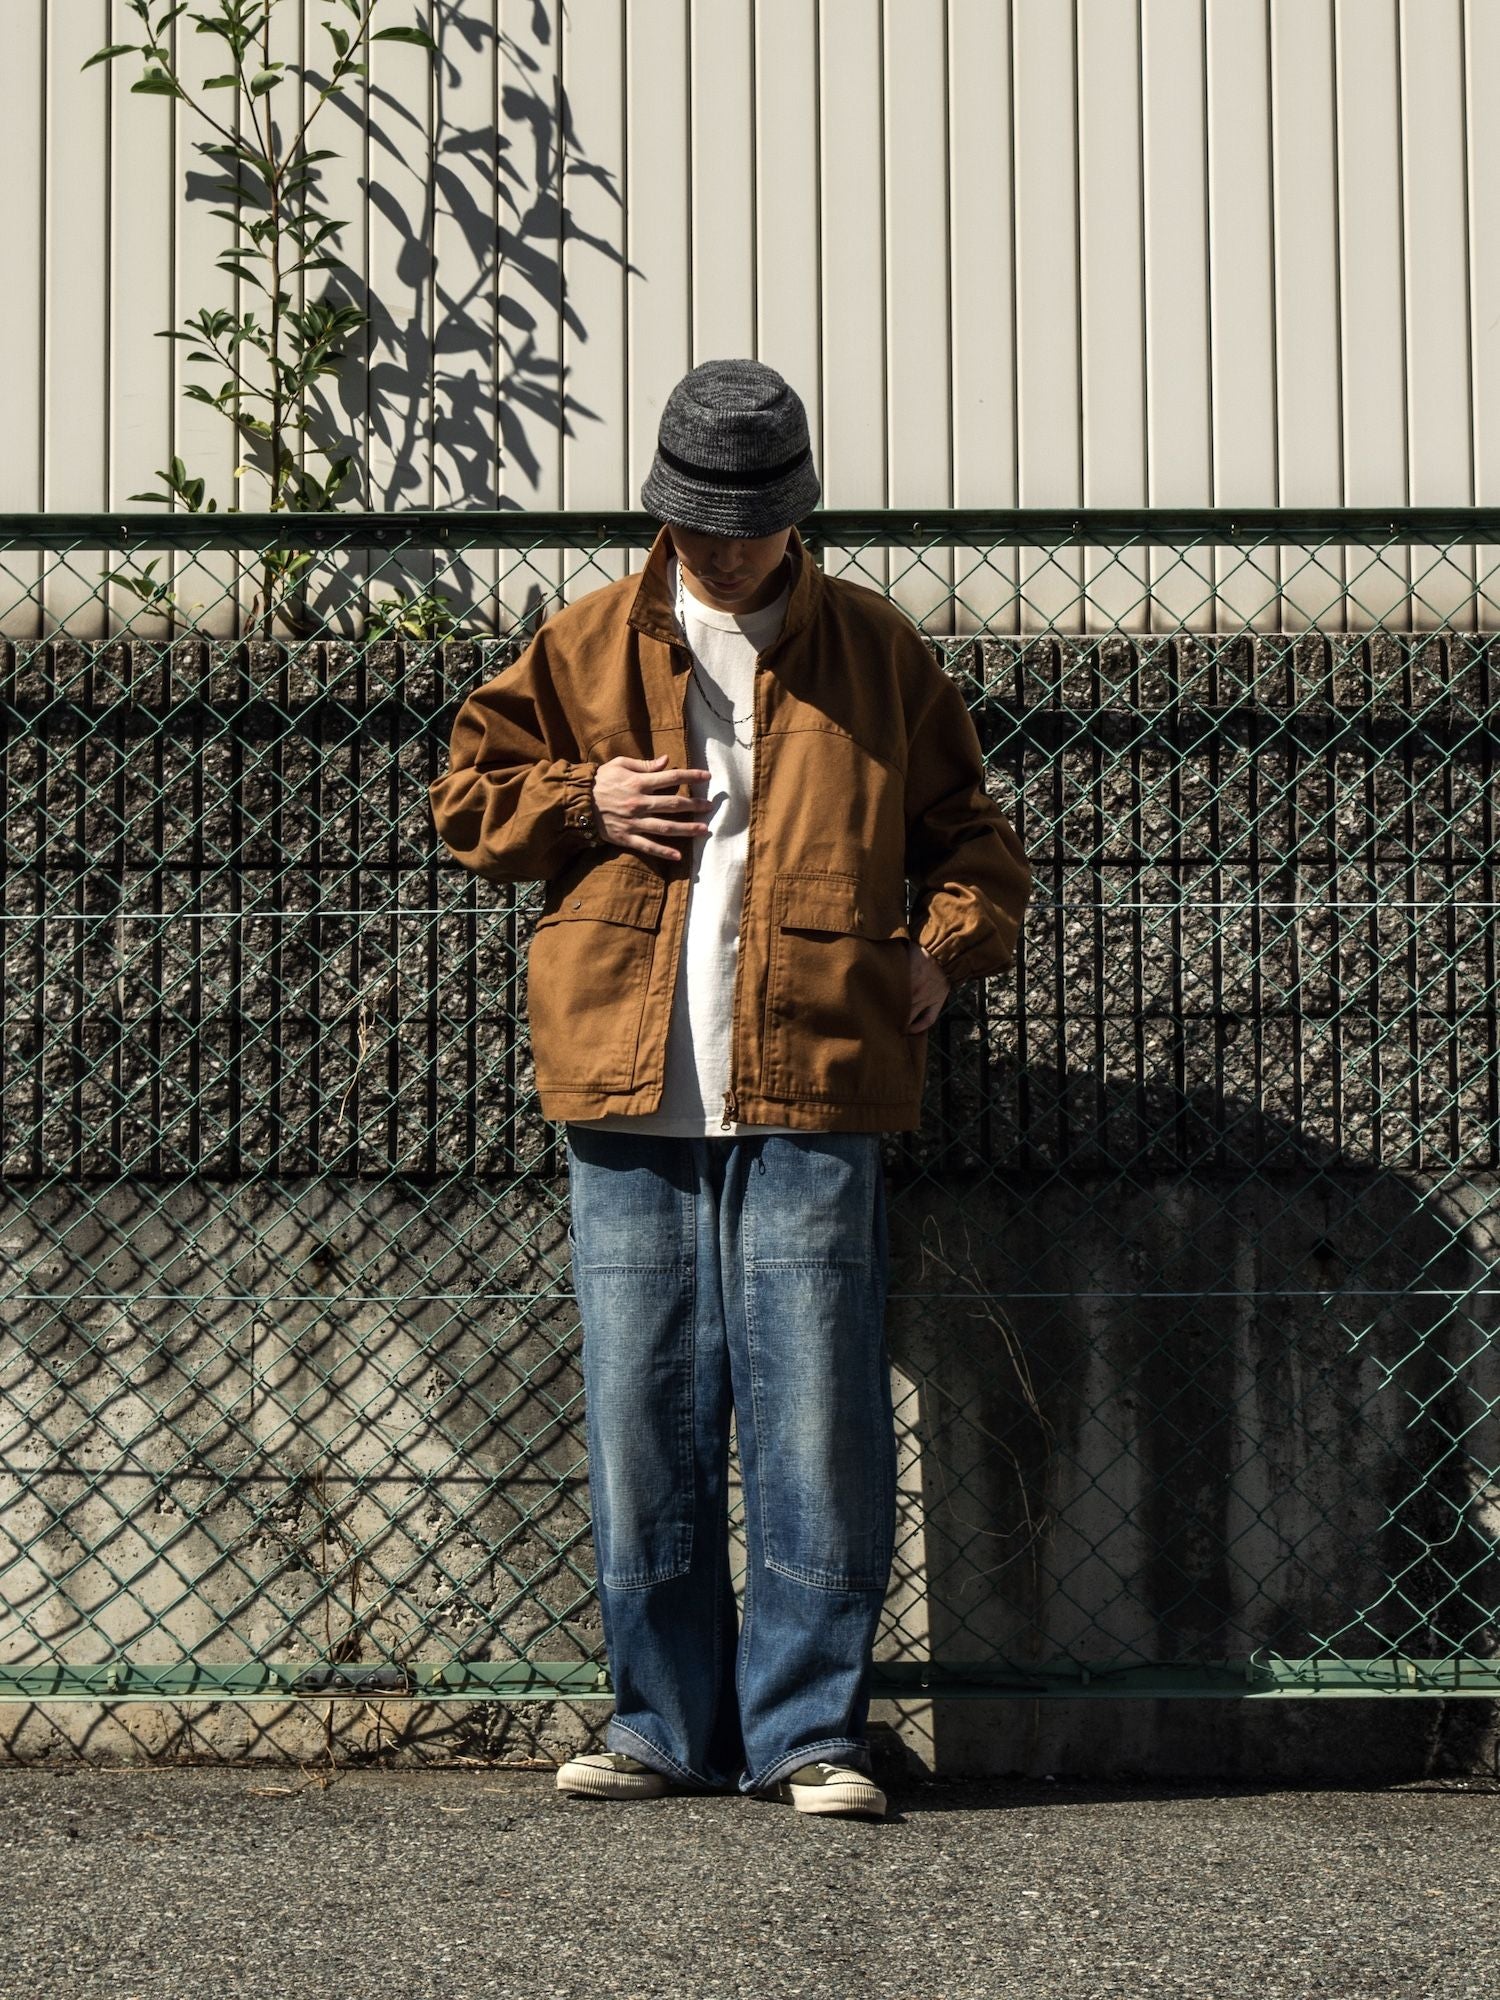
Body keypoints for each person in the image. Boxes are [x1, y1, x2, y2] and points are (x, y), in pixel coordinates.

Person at [428, 358, 1031, 1818]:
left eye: (752, 524)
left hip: (819, 1073)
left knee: (817, 1414)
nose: (726, 548)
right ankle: (660, 1726)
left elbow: (974, 841)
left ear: (795, 514)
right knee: (645, 1416)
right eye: (702, 522)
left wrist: (944, 947)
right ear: (664, 508)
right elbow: (464, 800)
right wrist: (583, 800)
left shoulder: (877, 652)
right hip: (624, 1075)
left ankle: (808, 1733)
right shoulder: (582, 642)